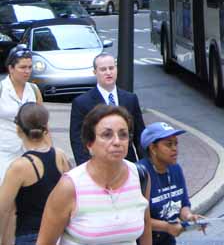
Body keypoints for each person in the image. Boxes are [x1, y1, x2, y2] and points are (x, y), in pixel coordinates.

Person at [36, 104, 151, 245]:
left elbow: (146, 227)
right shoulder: (70, 186)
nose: (117, 142)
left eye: (123, 134)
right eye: (107, 135)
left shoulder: (140, 176)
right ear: (89, 143)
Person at [0, 103, 71, 245]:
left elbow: (3, 210)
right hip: (58, 234)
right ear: (46, 128)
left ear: (19, 129)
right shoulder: (60, 156)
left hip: (30, 235)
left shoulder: (19, 167)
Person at [69, 53, 145, 165]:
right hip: (99, 164)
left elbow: (140, 135)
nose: (108, 73)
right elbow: (77, 140)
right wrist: (86, 167)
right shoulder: (81, 103)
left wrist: (145, 165)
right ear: (95, 72)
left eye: (111, 68)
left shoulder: (130, 99)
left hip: (128, 163)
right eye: (103, 69)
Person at [137, 121, 202, 245]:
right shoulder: (139, 173)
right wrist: (166, 227)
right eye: (168, 144)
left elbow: (183, 204)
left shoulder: (175, 169)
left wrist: (189, 217)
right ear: (152, 148)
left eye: (176, 144)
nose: (175, 149)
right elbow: (136, 218)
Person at [0, 45, 43, 182]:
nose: (27, 71)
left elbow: (42, 123)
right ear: (11, 68)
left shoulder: (34, 89)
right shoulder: (1, 88)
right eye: (22, 67)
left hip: (29, 150)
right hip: (4, 151)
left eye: (30, 67)